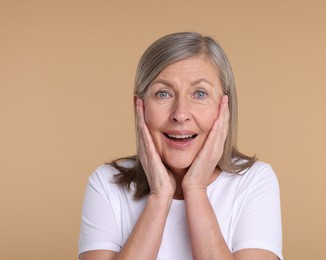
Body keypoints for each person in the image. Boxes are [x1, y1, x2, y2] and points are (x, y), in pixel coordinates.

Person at [78, 32, 283, 260]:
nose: (180, 114)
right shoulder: (106, 184)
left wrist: (195, 189)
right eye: (163, 93)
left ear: (224, 108)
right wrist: (159, 197)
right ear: (140, 106)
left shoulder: (254, 181)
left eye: (199, 93)